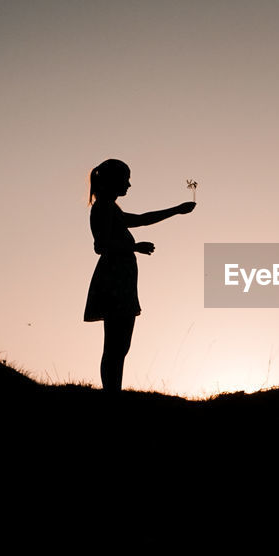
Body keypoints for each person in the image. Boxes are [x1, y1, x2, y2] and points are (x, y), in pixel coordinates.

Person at [84, 159, 196, 391]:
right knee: (116, 344)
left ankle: (113, 391)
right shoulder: (103, 208)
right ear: (113, 181)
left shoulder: (111, 208)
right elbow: (101, 245)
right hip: (113, 281)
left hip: (120, 282)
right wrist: (134, 248)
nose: (129, 184)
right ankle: (111, 393)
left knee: (120, 344)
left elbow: (143, 219)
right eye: (126, 179)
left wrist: (176, 210)